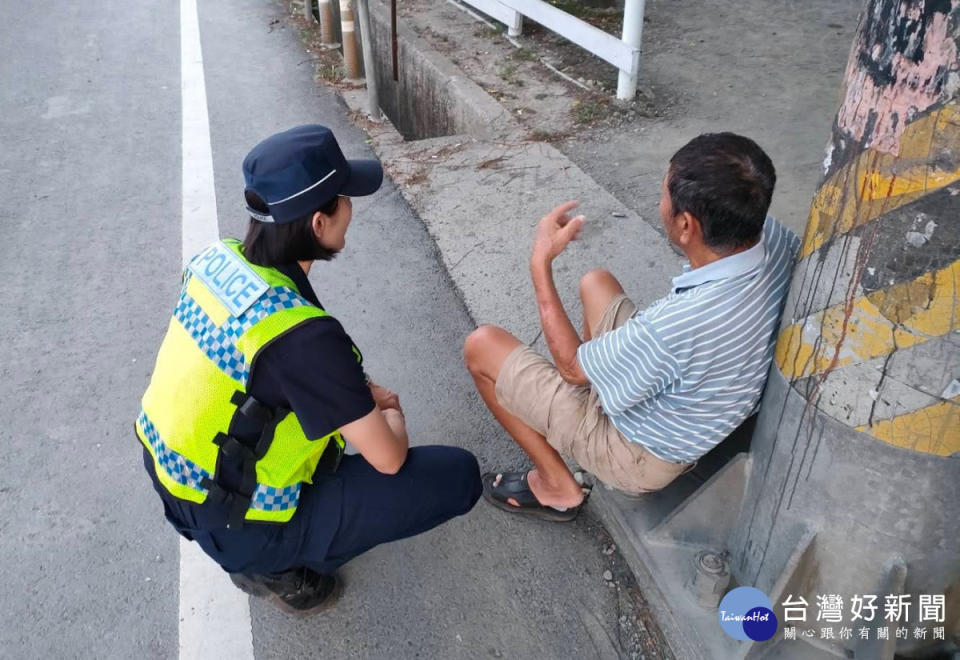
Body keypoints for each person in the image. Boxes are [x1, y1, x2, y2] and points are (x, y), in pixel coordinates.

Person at [136, 124, 481, 615]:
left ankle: (258, 549)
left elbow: (262, 370)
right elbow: (388, 458)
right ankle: (280, 569)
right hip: (232, 521)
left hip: (172, 475)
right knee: (458, 476)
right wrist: (393, 416)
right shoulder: (305, 338)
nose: (351, 209)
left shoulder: (218, 260)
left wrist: (355, 394)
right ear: (319, 223)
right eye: (343, 199)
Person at [464, 133, 800, 522]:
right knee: (595, 282)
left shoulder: (675, 326)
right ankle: (597, 397)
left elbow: (572, 370)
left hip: (640, 457)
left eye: (664, 198)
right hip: (704, 408)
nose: (660, 205)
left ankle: (559, 486)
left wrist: (540, 263)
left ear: (687, 225)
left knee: (481, 345)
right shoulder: (771, 237)